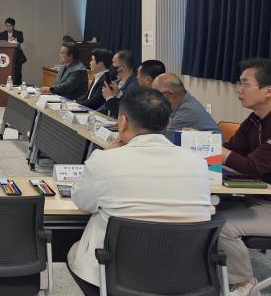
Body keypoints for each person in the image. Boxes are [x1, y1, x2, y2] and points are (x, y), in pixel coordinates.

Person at [67, 87, 212, 295]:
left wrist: (104, 154)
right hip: (183, 274)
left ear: (123, 122)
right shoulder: (198, 163)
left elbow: (82, 201)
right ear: (168, 123)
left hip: (117, 274)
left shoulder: (104, 161)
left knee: (74, 252)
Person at [213, 59, 271, 296]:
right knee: (207, 210)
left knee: (222, 225)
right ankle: (214, 272)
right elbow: (233, 148)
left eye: (246, 84)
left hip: (267, 202)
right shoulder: (255, 119)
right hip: (258, 196)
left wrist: (218, 152)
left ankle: (243, 283)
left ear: (268, 90)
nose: (239, 90)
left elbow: (253, 166)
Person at [152, 73, 220, 140]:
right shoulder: (183, 102)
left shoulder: (187, 110)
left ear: (166, 95)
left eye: (155, 95)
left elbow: (163, 139)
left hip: (216, 148)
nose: (153, 99)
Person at [100, 50, 138, 118]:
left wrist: (109, 97)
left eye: (114, 62)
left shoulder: (134, 86)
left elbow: (125, 112)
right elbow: (106, 106)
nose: (111, 66)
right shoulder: (117, 81)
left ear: (123, 67)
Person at [0, 17, 27, 85]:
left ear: (13, 26)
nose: (8, 27)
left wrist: (14, 39)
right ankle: (5, 86)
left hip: (16, 56)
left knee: (17, 73)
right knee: (5, 72)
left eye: (9, 26)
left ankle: (17, 87)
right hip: (5, 56)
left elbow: (21, 40)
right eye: (6, 25)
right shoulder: (2, 34)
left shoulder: (18, 33)